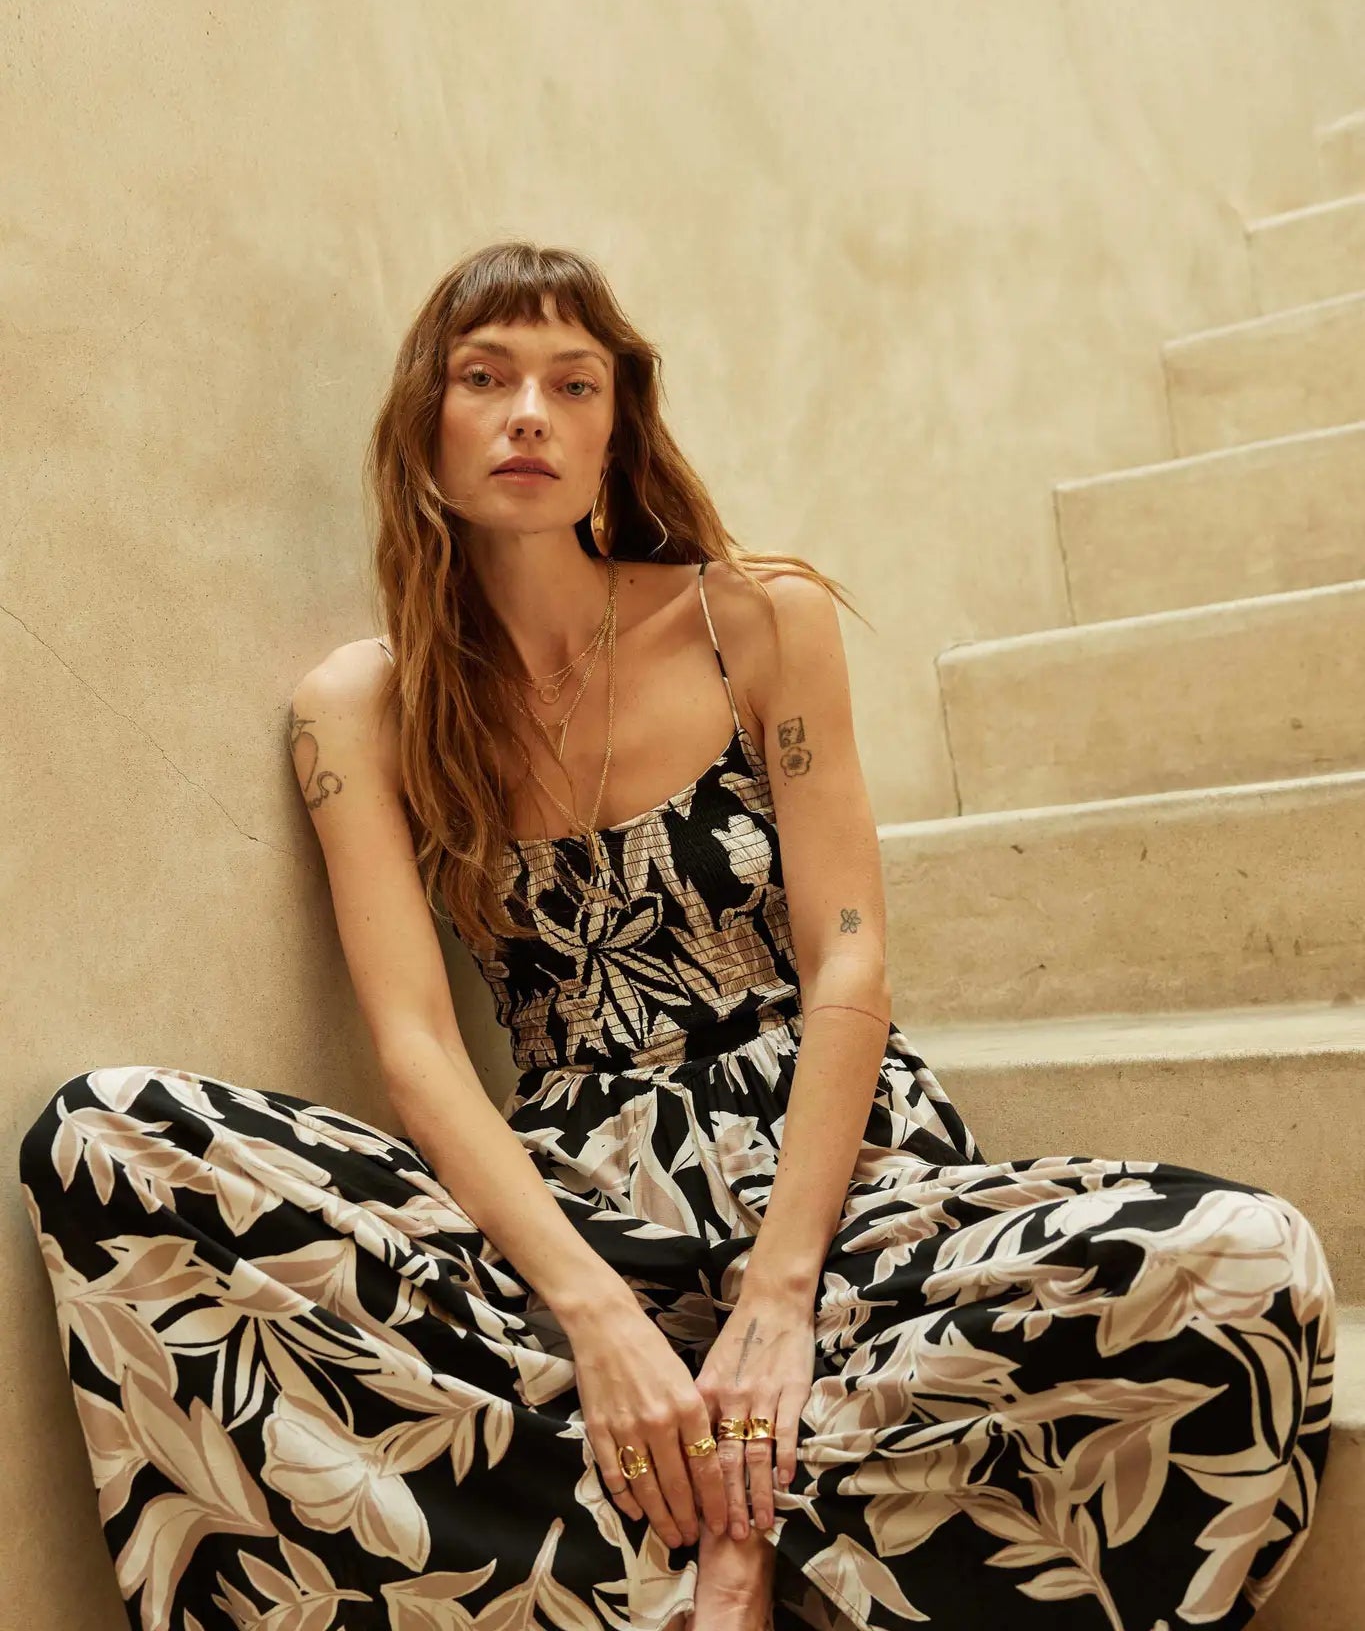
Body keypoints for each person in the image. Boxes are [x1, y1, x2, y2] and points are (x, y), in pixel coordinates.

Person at [19, 241, 1335, 1631]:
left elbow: (848, 964)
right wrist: (597, 1322)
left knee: (1238, 1257)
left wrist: (778, 1298)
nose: (530, 413)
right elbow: (416, 1051)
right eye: (486, 378)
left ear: (615, 430)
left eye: (572, 384)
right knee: (106, 1135)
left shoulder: (754, 619)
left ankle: (728, 1543)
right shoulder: (362, 710)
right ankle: (715, 1537)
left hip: (838, 1197)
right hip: (571, 1219)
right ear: (425, 426)